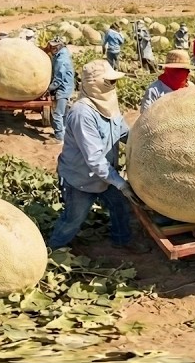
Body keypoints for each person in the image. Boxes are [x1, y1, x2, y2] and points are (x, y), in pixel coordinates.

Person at [46, 60, 148, 253]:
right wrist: (120, 183)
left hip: (106, 174)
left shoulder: (108, 104)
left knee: (120, 206)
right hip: (81, 180)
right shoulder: (82, 114)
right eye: (109, 81)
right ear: (95, 84)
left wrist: (144, 141)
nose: (114, 85)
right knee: (73, 220)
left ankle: (122, 239)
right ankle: (52, 250)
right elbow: (94, 159)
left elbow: (123, 132)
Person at [46, 37, 75, 141]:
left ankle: (59, 138)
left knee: (58, 114)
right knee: (65, 114)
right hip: (68, 88)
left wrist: (48, 89)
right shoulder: (62, 54)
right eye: (51, 45)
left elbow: (58, 79)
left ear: (60, 46)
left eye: (54, 46)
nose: (52, 47)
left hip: (63, 89)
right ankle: (65, 135)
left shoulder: (61, 59)